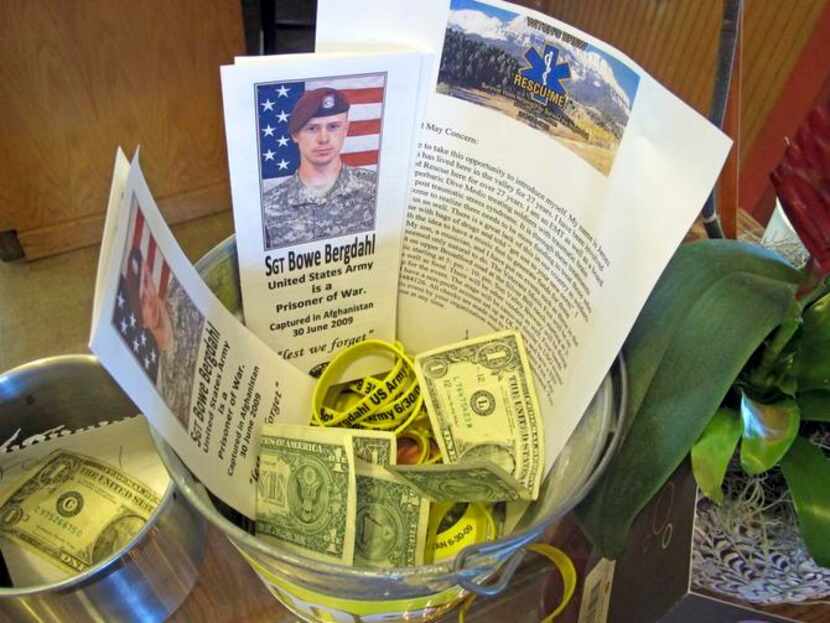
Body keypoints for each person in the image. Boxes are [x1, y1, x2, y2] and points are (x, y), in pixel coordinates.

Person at [262, 87, 377, 249]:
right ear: (295, 134)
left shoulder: (375, 190)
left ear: (346, 129)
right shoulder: (267, 208)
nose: (323, 139)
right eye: (312, 128)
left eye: (333, 127)